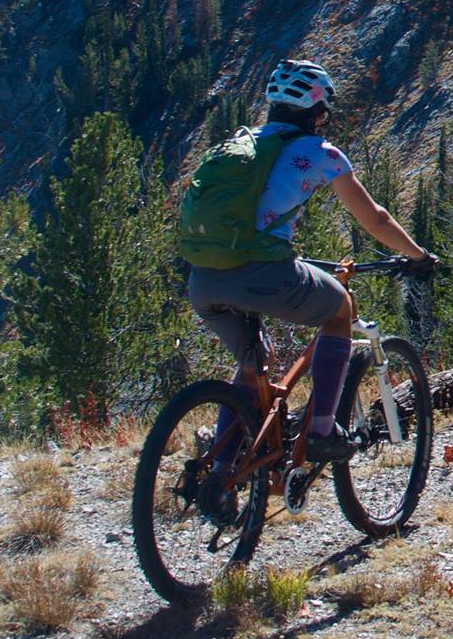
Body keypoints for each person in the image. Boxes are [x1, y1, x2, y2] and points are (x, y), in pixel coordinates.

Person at [182, 57, 432, 463]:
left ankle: (221, 478)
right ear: (317, 111)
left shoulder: (237, 144)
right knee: (339, 310)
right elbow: (376, 220)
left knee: (250, 368)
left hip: (204, 280)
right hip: (262, 272)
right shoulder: (320, 153)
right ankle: (321, 431)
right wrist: (418, 255)